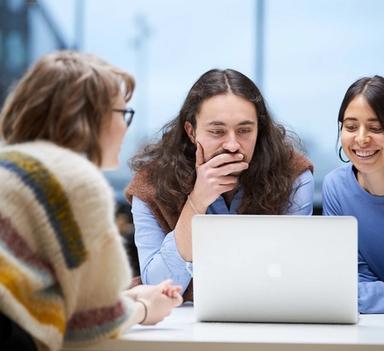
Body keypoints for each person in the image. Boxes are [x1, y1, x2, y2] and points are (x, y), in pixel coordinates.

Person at [0, 51, 182, 351]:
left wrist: (127, 299)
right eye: (123, 114)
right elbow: (92, 323)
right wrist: (145, 310)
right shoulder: (75, 179)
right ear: (92, 117)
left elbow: (51, 297)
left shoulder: (10, 165)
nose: (126, 127)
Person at [125, 68, 314, 300]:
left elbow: (291, 276)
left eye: (244, 130)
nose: (233, 145)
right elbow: (158, 288)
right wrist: (197, 201)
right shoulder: (150, 184)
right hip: (180, 324)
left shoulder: (293, 176)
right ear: (191, 132)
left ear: (259, 130)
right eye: (217, 131)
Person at [322, 75, 384, 314]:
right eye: (350, 127)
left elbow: (351, 294)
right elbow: (349, 282)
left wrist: (359, 296)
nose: (361, 138)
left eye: (376, 127)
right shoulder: (336, 187)